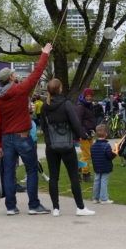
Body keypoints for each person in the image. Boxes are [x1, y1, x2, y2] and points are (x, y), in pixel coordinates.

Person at [0, 44, 52, 216]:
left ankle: (11, 207)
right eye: (13, 75)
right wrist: (44, 54)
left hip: (6, 138)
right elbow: (37, 73)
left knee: (9, 172)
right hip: (23, 137)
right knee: (31, 170)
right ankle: (33, 205)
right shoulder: (20, 90)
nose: (15, 76)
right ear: (11, 78)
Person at [40, 78, 94, 217]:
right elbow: (75, 123)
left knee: (54, 177)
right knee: (73, 176)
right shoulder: (66, 104)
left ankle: (56, 208)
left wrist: (48, 141)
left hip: (51, 145)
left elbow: (43, 126)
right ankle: (80, 207)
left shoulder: (45, 106)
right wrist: (81, 135)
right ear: (59, 88)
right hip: (67, 144)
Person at [90, 124, 116, 204]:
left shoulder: (93, 146)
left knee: (97, 181)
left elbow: (92, 156)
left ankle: (95, 198)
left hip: (97, 166)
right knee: (104, 181)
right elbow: (110, 156)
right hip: (105, 166)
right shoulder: (106, 146)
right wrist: (115, 152)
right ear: (106, 134)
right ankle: (104, 198)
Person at [75, 87, 97, 183]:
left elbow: (90, 120)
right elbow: (78, 122)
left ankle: (77, 170)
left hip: (89, 133)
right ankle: (85, 174)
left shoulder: (89, 106)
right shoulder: (81, 107)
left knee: (90, 154)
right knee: (87, 154)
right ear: (84, 96)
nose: (89, 98)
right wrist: (83, 133)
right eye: (87, 96)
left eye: (90, 96)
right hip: (83, 134)